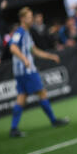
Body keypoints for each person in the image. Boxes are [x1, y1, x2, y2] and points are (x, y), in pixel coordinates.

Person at [8, 7, 69, 138]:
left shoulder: (27, 33)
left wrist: (50, 56)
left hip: (23, 71)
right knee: (41, 92)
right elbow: (12, 47)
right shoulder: (19, 32)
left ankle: (13, 129)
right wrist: (24, 59)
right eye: (29, 17)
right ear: (22, 19)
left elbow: (34, 50)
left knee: (22, 97)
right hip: (26, 70)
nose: (32, 19)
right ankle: (53, 120)